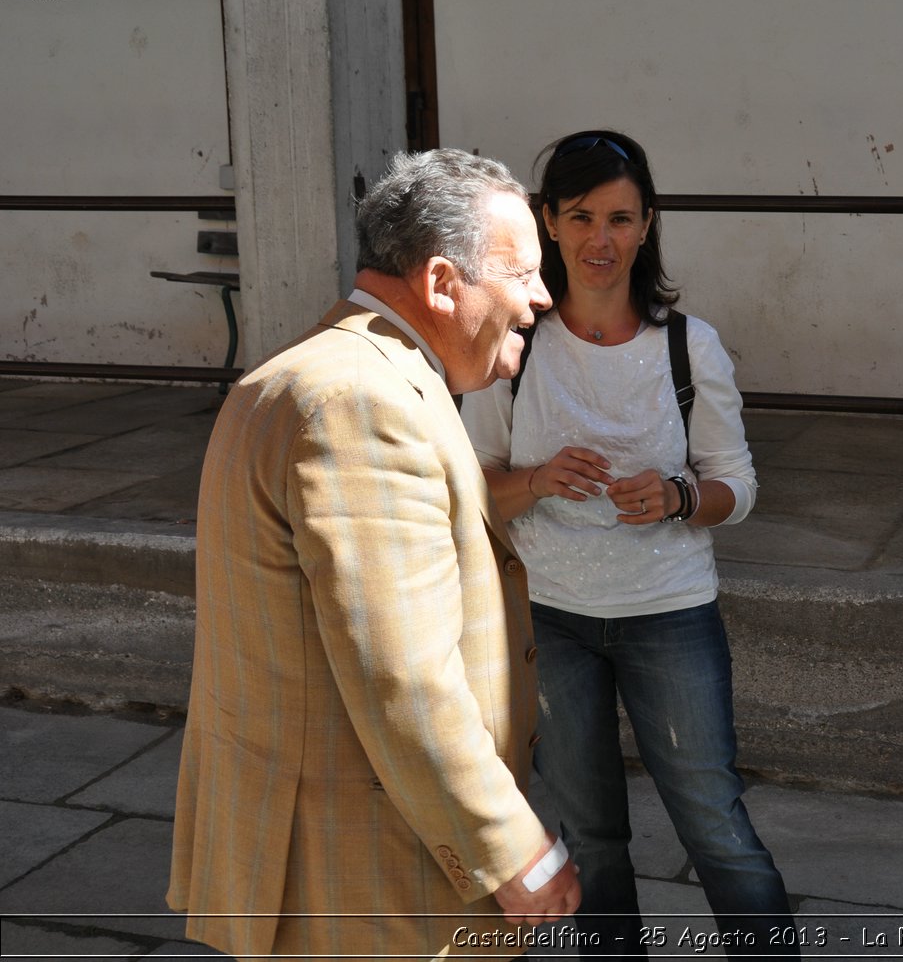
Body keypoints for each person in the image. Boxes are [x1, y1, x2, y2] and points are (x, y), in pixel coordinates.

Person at [168, 149, 581, 958]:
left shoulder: (330, 374)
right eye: (525, 273)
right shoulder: (363, 402)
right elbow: (404, 676)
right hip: (369, 876)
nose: (541, 297)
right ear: (439, 283)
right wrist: (514, 853)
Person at [459, 129, 796, 959]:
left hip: (669, 614)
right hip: (550, 620)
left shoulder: (689, 346)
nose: (599, 240)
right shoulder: (519, 344)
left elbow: (738, 485)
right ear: (548, 223)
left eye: (619, 218)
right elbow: (468, 488)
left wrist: (680, 496)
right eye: (580, 217)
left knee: (713, 820)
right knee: (590, 834)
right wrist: (536, 479)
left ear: (648, 224)